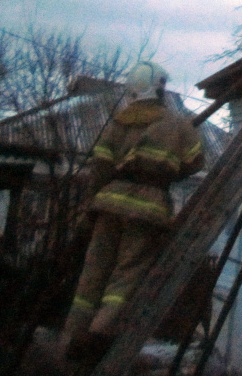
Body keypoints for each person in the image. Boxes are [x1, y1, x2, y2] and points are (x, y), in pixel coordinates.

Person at [60, 61, 204, 367]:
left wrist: (91, 207)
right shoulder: (177, 124)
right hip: (148, 208)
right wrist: (167, 171)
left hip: (108, 203)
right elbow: (196, 162)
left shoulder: (117, 124)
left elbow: (99, 169)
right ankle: (100, 336)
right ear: (160, 87)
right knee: (126, 274)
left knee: (94, 270)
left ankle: (74, 336)